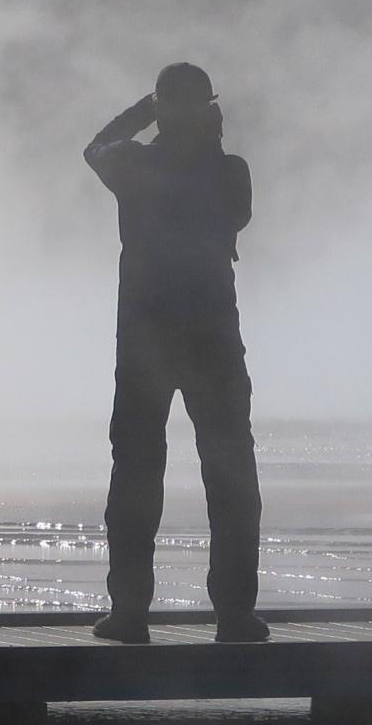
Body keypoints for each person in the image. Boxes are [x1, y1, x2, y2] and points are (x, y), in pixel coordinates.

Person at [84, 62, 265, 644]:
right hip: (212, 337)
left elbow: (96, 148)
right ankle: (234, 616)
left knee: (136, 473)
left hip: (146, 338)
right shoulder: (230, 171)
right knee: (231, 474)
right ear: (209, 111)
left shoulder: (135, 165)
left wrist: (143, 112)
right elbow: (233, 214)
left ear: (161, 109)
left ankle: (130, 614)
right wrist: (203, 134)